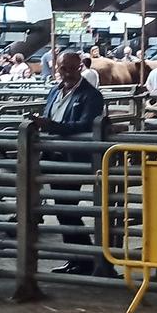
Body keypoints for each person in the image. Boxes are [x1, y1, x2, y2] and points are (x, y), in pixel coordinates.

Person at [38, 47, 116, 277]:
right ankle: (77, 258)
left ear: (80, 68)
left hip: (75, 157)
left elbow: (85, 125)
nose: (68, 72)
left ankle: (84, 258)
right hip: (54, 156)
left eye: (73, 68)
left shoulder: (91, 95)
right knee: (63, 210)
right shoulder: (54, 91)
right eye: (64, 68)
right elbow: (51, 115)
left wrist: (52, 127)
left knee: (67, 209)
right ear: (58, 68)